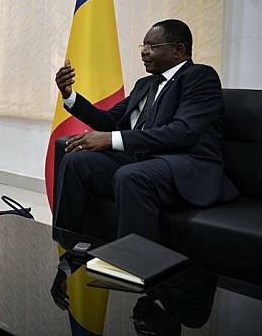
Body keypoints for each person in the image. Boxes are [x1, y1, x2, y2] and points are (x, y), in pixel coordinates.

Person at [53, 19, 238, 242]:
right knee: (76, 161)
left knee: (132, 176)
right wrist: (68, 95)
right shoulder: (144, 84)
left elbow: (182, 132)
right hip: (142, 160)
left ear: (178, 50)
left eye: (152, 46)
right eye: (143, 46)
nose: (144, 53)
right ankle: (66, 245)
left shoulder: (200, 77)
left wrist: (111, 140)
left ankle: (132, 265)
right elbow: (109, 121)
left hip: (184, 165)